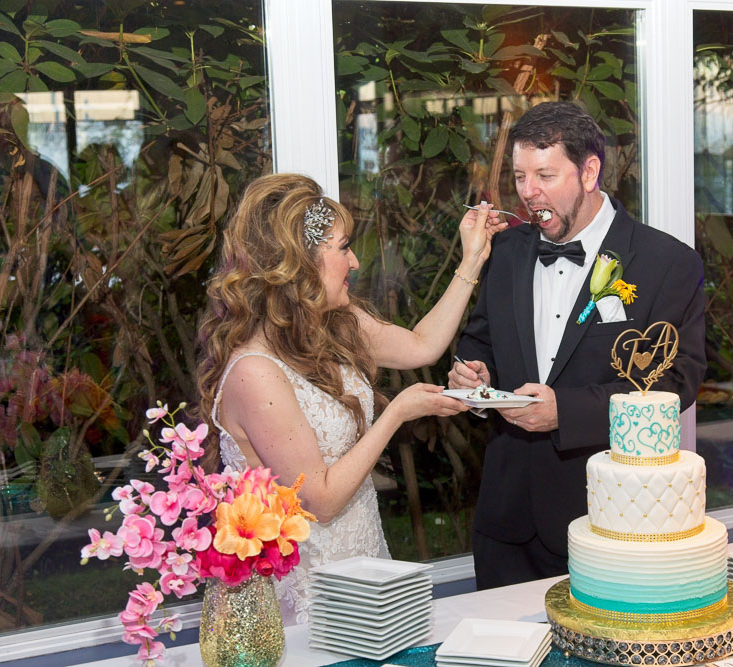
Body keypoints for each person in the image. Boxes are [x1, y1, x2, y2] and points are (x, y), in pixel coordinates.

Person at [196, 173, 504, 622]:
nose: (356, 261)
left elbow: (422, 345)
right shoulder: (255, 373)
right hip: (310, 585)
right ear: (301, 263)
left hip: (361, 559)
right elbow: (319, 500)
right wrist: (396, 411)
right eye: (343, 248)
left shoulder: (335, 323)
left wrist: (472, 260)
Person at [448, 102, 707, 590]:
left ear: (589, 172)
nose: (528, 193)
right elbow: (479, 338)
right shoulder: (504, 252)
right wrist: (472, 373)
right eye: (521, 177)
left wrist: (565, 411)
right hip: (506, 524)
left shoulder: (667, 263)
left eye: (545, 175)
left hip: (610, 523)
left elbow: (678, 381)